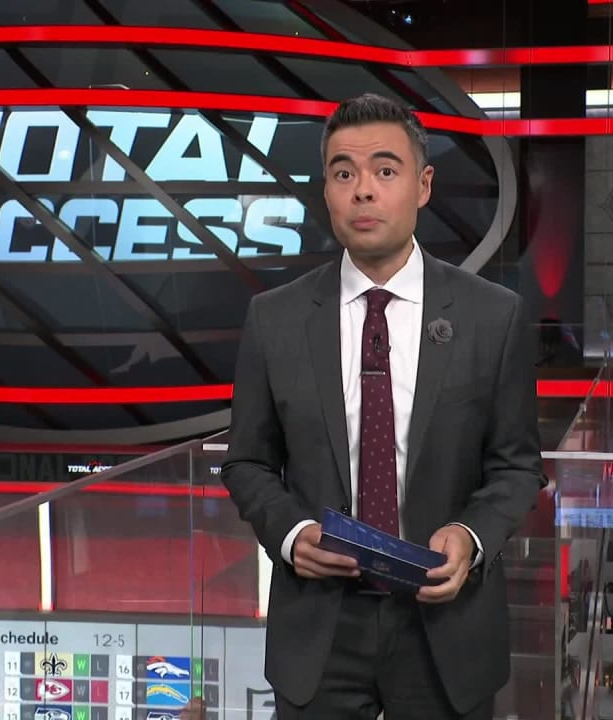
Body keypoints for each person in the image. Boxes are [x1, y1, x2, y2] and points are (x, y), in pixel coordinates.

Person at [221, 92, 544, 720]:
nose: (363, 190)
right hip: (319, 629)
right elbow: (247, 463)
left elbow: (517, 467)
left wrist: (471, 536)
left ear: (423, 186)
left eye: (385, 170)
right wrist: (291, 534)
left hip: (444, 626)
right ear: (326, 191)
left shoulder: (492, 316)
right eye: (343, 173)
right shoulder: (274, 318)